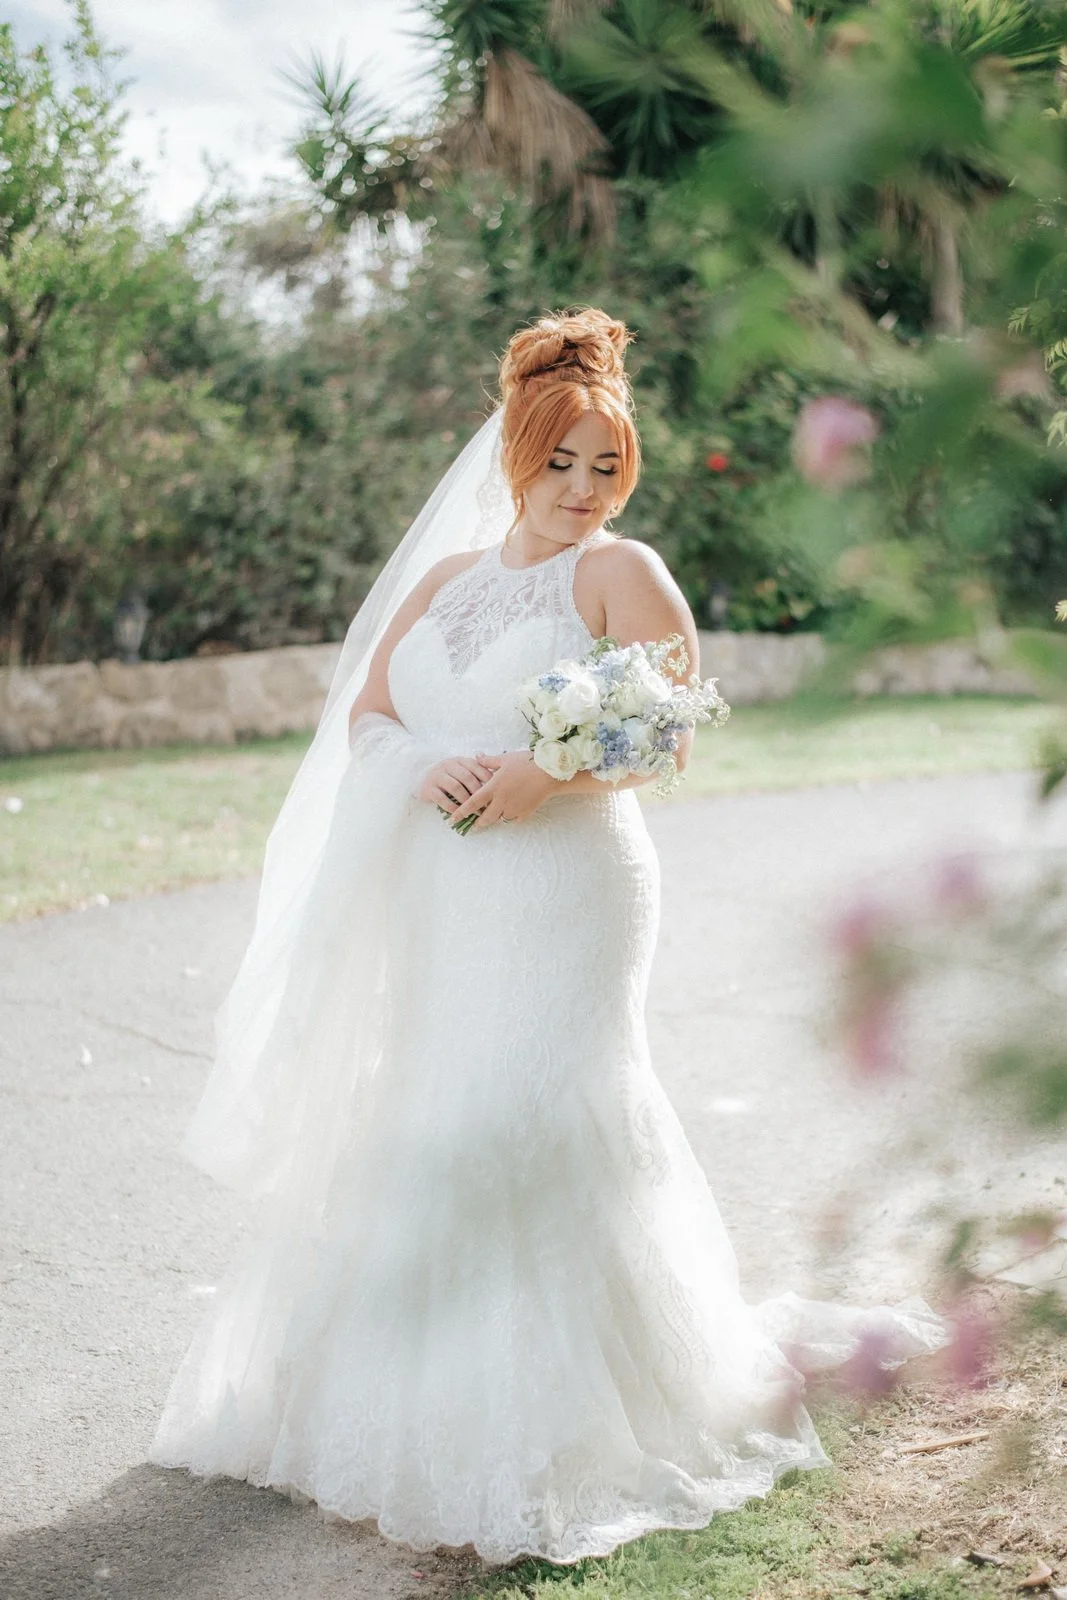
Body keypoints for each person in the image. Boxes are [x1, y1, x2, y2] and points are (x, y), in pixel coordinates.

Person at [147, 308, 945, 1566]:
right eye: (560, 460)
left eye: (605, 465)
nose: (582, 488)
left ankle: (563, 1422)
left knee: (533, 1105)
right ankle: (403, 1394)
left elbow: (671, 731)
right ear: (512, 452)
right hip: (444, 894)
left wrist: (545, 774)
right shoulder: (444, 583)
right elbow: (367, 713)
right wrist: (422, 769)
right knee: (432, 1103)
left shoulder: (623, 573)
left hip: (570, 889)